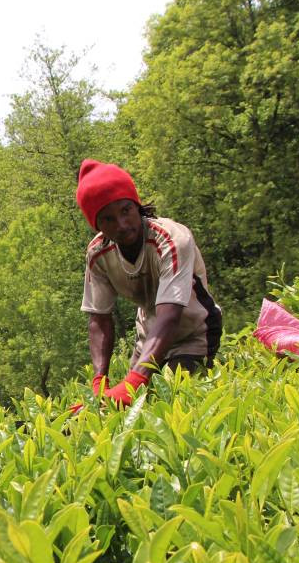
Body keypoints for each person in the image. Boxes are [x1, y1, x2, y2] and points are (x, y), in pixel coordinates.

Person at [75, 159, 222, 407]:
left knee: (161, 403)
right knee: (111, 408)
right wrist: (99, 380)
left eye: (125, 211)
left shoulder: (172, 239)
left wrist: (135, 379)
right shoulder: (98, 254)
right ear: (97, 226)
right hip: (148, 341)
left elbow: (170, 315)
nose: (122, 225)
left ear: (137, 205)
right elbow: (99, 319)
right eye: (109, 219)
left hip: (193, 333)